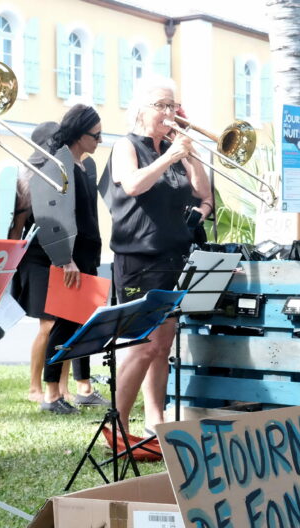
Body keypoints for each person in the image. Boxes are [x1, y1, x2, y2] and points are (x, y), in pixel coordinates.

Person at [100, 76, 212, 436]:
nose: (169, 112)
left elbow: (202, 192)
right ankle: (116, 424)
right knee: (141, 345)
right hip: (139, 258)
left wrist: (190, 154)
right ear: (141, 109)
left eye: (172, 105)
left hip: (174, 256)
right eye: (161, 105)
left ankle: (155, 418)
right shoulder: (126, 145)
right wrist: (170, 156)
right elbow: (133, 184)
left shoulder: (173, 150)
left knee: (163, 345)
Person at [9, 118, 108, 413]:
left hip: (64, 253)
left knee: (68, 320)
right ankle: (36, 388)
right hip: (37, 256)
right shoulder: (31, 175)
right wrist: (11, 261)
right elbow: (18, 224)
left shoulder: (70, 169)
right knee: (49, 323)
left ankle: (62, 388)